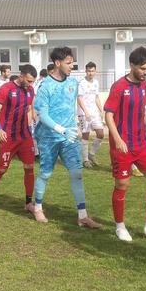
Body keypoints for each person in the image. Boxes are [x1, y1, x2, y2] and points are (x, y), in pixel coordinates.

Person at [31, 46, 101, 228]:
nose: (72, 66)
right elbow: (43, 115)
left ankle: (82, 215)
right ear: (57, 63)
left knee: (77, 174)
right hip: (48, 138)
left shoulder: (73, 83)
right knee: (45, 173)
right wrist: (62, 129)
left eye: (72, 62)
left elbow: (72, 106)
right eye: (69, 63)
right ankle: (37, 207)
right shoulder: (45, 86)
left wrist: (75, 125)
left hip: (69, 138)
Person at [104, 47, 146, 242]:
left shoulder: (145, 85)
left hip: (142, 143)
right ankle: (120, 226)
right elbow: (108, 115)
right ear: (132, 65)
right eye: (142, 68)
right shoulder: (119, 86)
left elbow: (143, 111)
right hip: (123, 145)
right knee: (122, 184)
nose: (145, 72)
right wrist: (118, 139)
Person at [0, 64, 38, 210]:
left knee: (29, 167)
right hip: (8, 136)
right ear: (21, 76)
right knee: (2, 169)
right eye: (29, 80)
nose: (31, 84)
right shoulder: (5, 89)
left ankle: (28, 203)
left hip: (25, 136)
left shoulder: (31, 90)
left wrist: (32, 124)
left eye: (33, 81)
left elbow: (30, 109)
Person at [77, 61, 105, 168]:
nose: (90, 73)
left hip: (94, 113)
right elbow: (79, 98)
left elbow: (96, 97)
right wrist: (86, 112)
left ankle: (91, 154)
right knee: (85, 135)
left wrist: (101, 110)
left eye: (92, 71)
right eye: (89, 71)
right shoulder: (81, 83)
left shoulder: (96, 82)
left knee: (100, 134)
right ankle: (85, 160)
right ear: (86, 71)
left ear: (95, 71)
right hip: (84, 114)